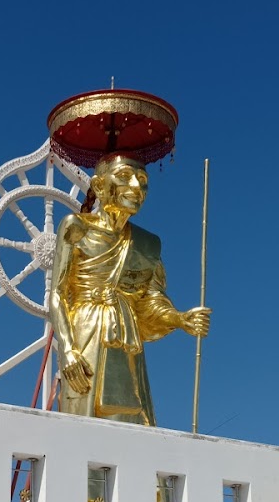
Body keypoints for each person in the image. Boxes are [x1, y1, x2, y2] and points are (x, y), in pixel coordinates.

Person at [49, 154, 210, 425]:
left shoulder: (147, 245)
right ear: (100, 186)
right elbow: (58, 293)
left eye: (143, 180)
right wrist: (67, 349)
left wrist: (180, 319)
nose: (136, 186)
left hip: (126, 338)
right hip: (86, 332)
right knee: (83, 420)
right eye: (124, 177)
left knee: (131, 417)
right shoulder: (76, 227)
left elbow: (150, 302)